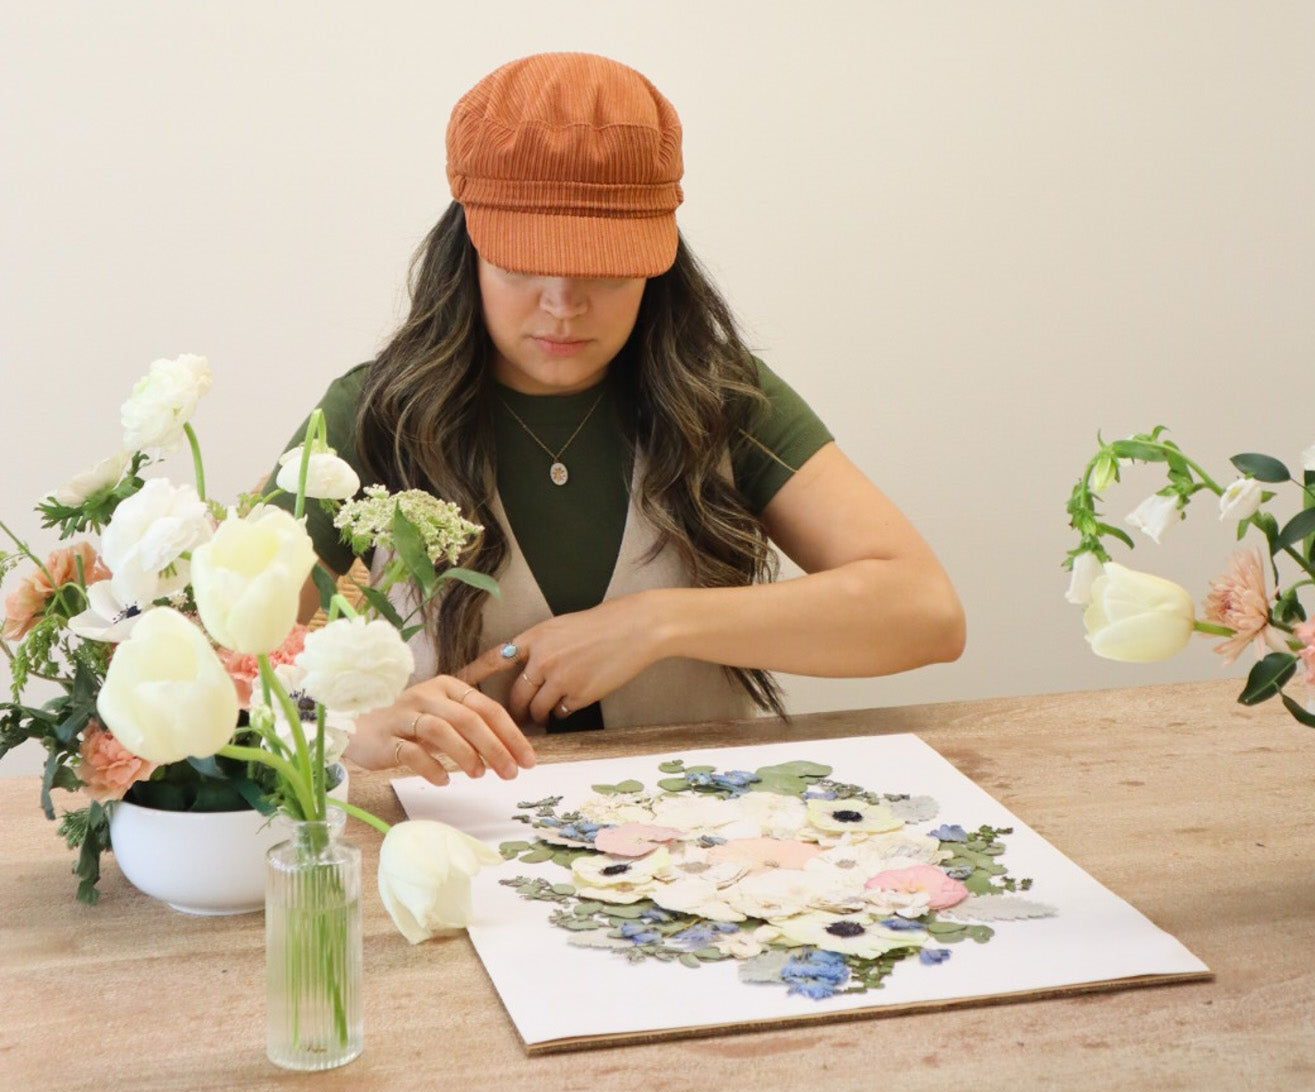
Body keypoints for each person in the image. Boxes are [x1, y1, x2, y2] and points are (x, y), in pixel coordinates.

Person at [274, 52, 965, 787]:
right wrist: (346, 723)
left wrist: (655, 623)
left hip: (707, 831)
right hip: (450, 832)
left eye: (603, 266)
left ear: (657, 259)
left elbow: (925, 612)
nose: (563, 303)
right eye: (521, 263)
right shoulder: (374, 412)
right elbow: (218, 653)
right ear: (466, 248)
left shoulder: (723, 396)